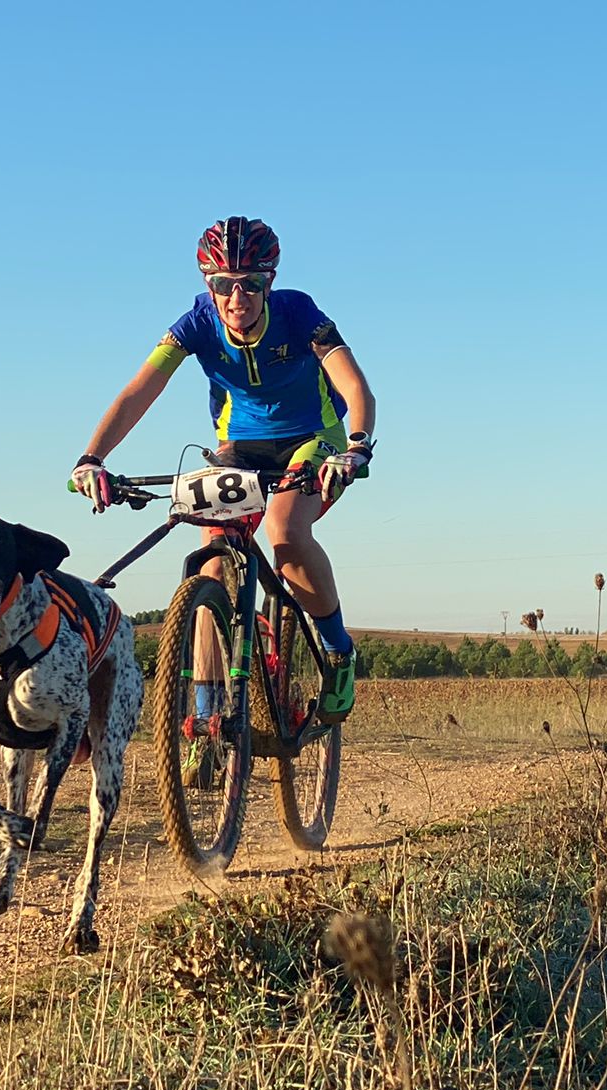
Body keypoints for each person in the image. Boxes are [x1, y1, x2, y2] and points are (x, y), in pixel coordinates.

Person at [71, 216, 375, 723]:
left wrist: (357, 446)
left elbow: (354, 386)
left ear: (269, 282)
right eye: (223, 285)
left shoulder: (300, 313)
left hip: (314, 441)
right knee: (212, 558)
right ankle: (206, 718)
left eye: (251, 283)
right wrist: (92, 458)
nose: (238, 297)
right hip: (238, 446)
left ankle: (338, 650)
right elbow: (138, 391)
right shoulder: (195, 323)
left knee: (284, 531)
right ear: (208, 286)